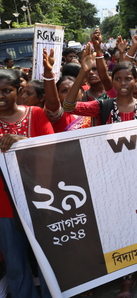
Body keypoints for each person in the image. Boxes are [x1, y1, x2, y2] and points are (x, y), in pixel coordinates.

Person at [63, 46, 137, 297]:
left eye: (128, 78)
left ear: (135, 81)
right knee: (119, 225)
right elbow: (68, 107)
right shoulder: (101, 105)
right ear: (112, 80)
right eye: (118, 78)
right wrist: (84, 72)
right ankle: (127, 277)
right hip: (111, 180)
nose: (123, 83)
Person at [0, 69, 54, 298]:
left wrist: (24, 142)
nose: (0, 96)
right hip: (4, 206)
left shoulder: (37, 114)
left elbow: (52, 151)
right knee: (15, 262)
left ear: (20, 91)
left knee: (48, 260)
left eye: (6, 91)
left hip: (39, 198)